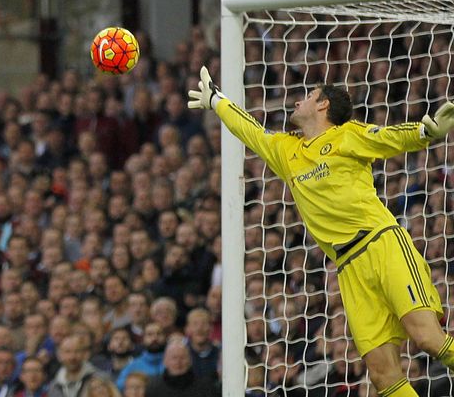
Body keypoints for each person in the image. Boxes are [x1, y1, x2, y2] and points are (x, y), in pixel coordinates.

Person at [188, 65, 454, 396]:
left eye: (309, 96)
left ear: (323, 105)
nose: (299, 101)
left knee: (428, 337)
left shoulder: (347, 135)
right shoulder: (288, 151)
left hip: (381, 242)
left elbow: (386, 138)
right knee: (383, 374)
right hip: (348, 267)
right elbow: (251, 131)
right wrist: (217, 101)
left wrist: (424, 132)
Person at [144, 339, 217, 397]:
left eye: (183, 357)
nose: (178, 362)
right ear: (165, 361)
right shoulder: (152, 388)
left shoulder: (205, 387)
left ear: (190, 361)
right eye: (174, 358)